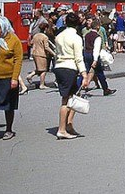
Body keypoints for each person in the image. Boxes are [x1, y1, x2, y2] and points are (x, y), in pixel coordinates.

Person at [53, 12, 90, 140]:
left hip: (59, 67)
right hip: (70, 67)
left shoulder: (59, 36)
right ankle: (62, 129)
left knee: (72, 97)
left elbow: (56, 53)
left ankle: (68, 125)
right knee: (66, 100)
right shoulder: (77, 38)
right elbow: (79, 58)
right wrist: (84, 75)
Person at [79, 19, 116, 96]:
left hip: (86, 54)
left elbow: (84, 45)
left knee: (84, 72)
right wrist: (95, 60)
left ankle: (76, 88)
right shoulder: (97, 37)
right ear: (98, 27)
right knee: (100, 73)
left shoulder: (87, 35)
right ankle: (105, 89)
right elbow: (96, 49)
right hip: (93, 55)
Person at [26, 21, 56, 89]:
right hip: (42, 54)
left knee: (39, 68)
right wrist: (53, 53)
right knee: (44, 70)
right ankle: (42, 84)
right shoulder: (45, 37)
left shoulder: (36, 35)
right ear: (45, 29)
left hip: (34, 53)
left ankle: (30, 76)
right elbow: (46, 47)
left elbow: (31, 43)